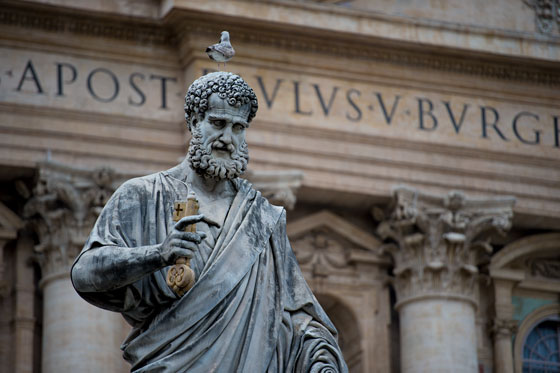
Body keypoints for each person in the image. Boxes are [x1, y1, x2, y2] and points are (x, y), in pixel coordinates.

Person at [71, 71, 347, 373]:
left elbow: (295, 314)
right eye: (218, 123)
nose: (227, 138)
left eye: (238, 127)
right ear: (193, 122)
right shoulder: (142, 195)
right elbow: (85, 274)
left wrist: (320, 359)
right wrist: (157, 254)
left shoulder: (262, 218)